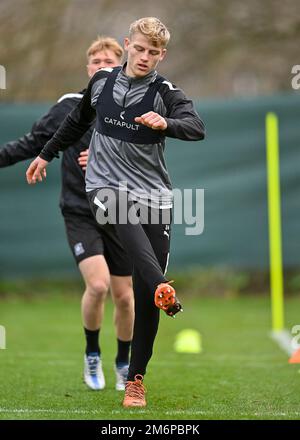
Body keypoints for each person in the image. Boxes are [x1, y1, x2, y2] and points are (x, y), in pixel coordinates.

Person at [26, 17, 205, 407]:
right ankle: (163, 283)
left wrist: (167, 122)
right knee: (121, 216)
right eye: (139, 48)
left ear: (163, 55)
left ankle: (136, 381)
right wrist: (44, 154)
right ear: (127, 44)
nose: (144, 57)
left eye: (153, 52)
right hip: (104, 185)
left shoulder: (165, 91)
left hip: (154, 195)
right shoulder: (102, 81)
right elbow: (76, 123)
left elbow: (196, 126)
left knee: (145, 295)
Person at [0, 36, 134, 392]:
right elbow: (33, 142)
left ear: (121, 66)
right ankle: (92, 354)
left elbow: (150, 160)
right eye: (96, 62)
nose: (102, 66)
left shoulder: (133, 107)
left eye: (109, 61)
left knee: (125, 296)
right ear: (87, 69)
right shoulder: (70, 106)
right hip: (80, 211)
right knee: (99, 285)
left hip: (120, 211)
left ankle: (123, 363)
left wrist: (111, 163)